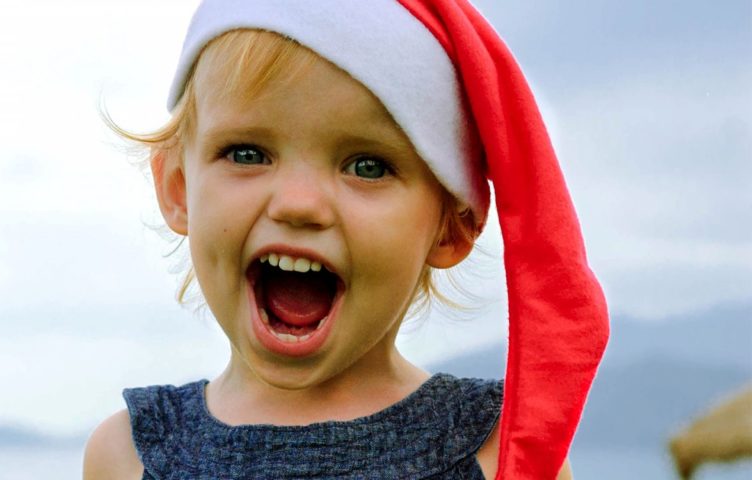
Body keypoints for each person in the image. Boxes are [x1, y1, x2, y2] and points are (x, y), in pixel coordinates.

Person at [84, 0, 609, 479]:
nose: (298, 203)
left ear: (453, 226)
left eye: (366, 166)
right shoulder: (127, 455)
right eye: (247, 153)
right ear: (178, 189)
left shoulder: (501, 456)